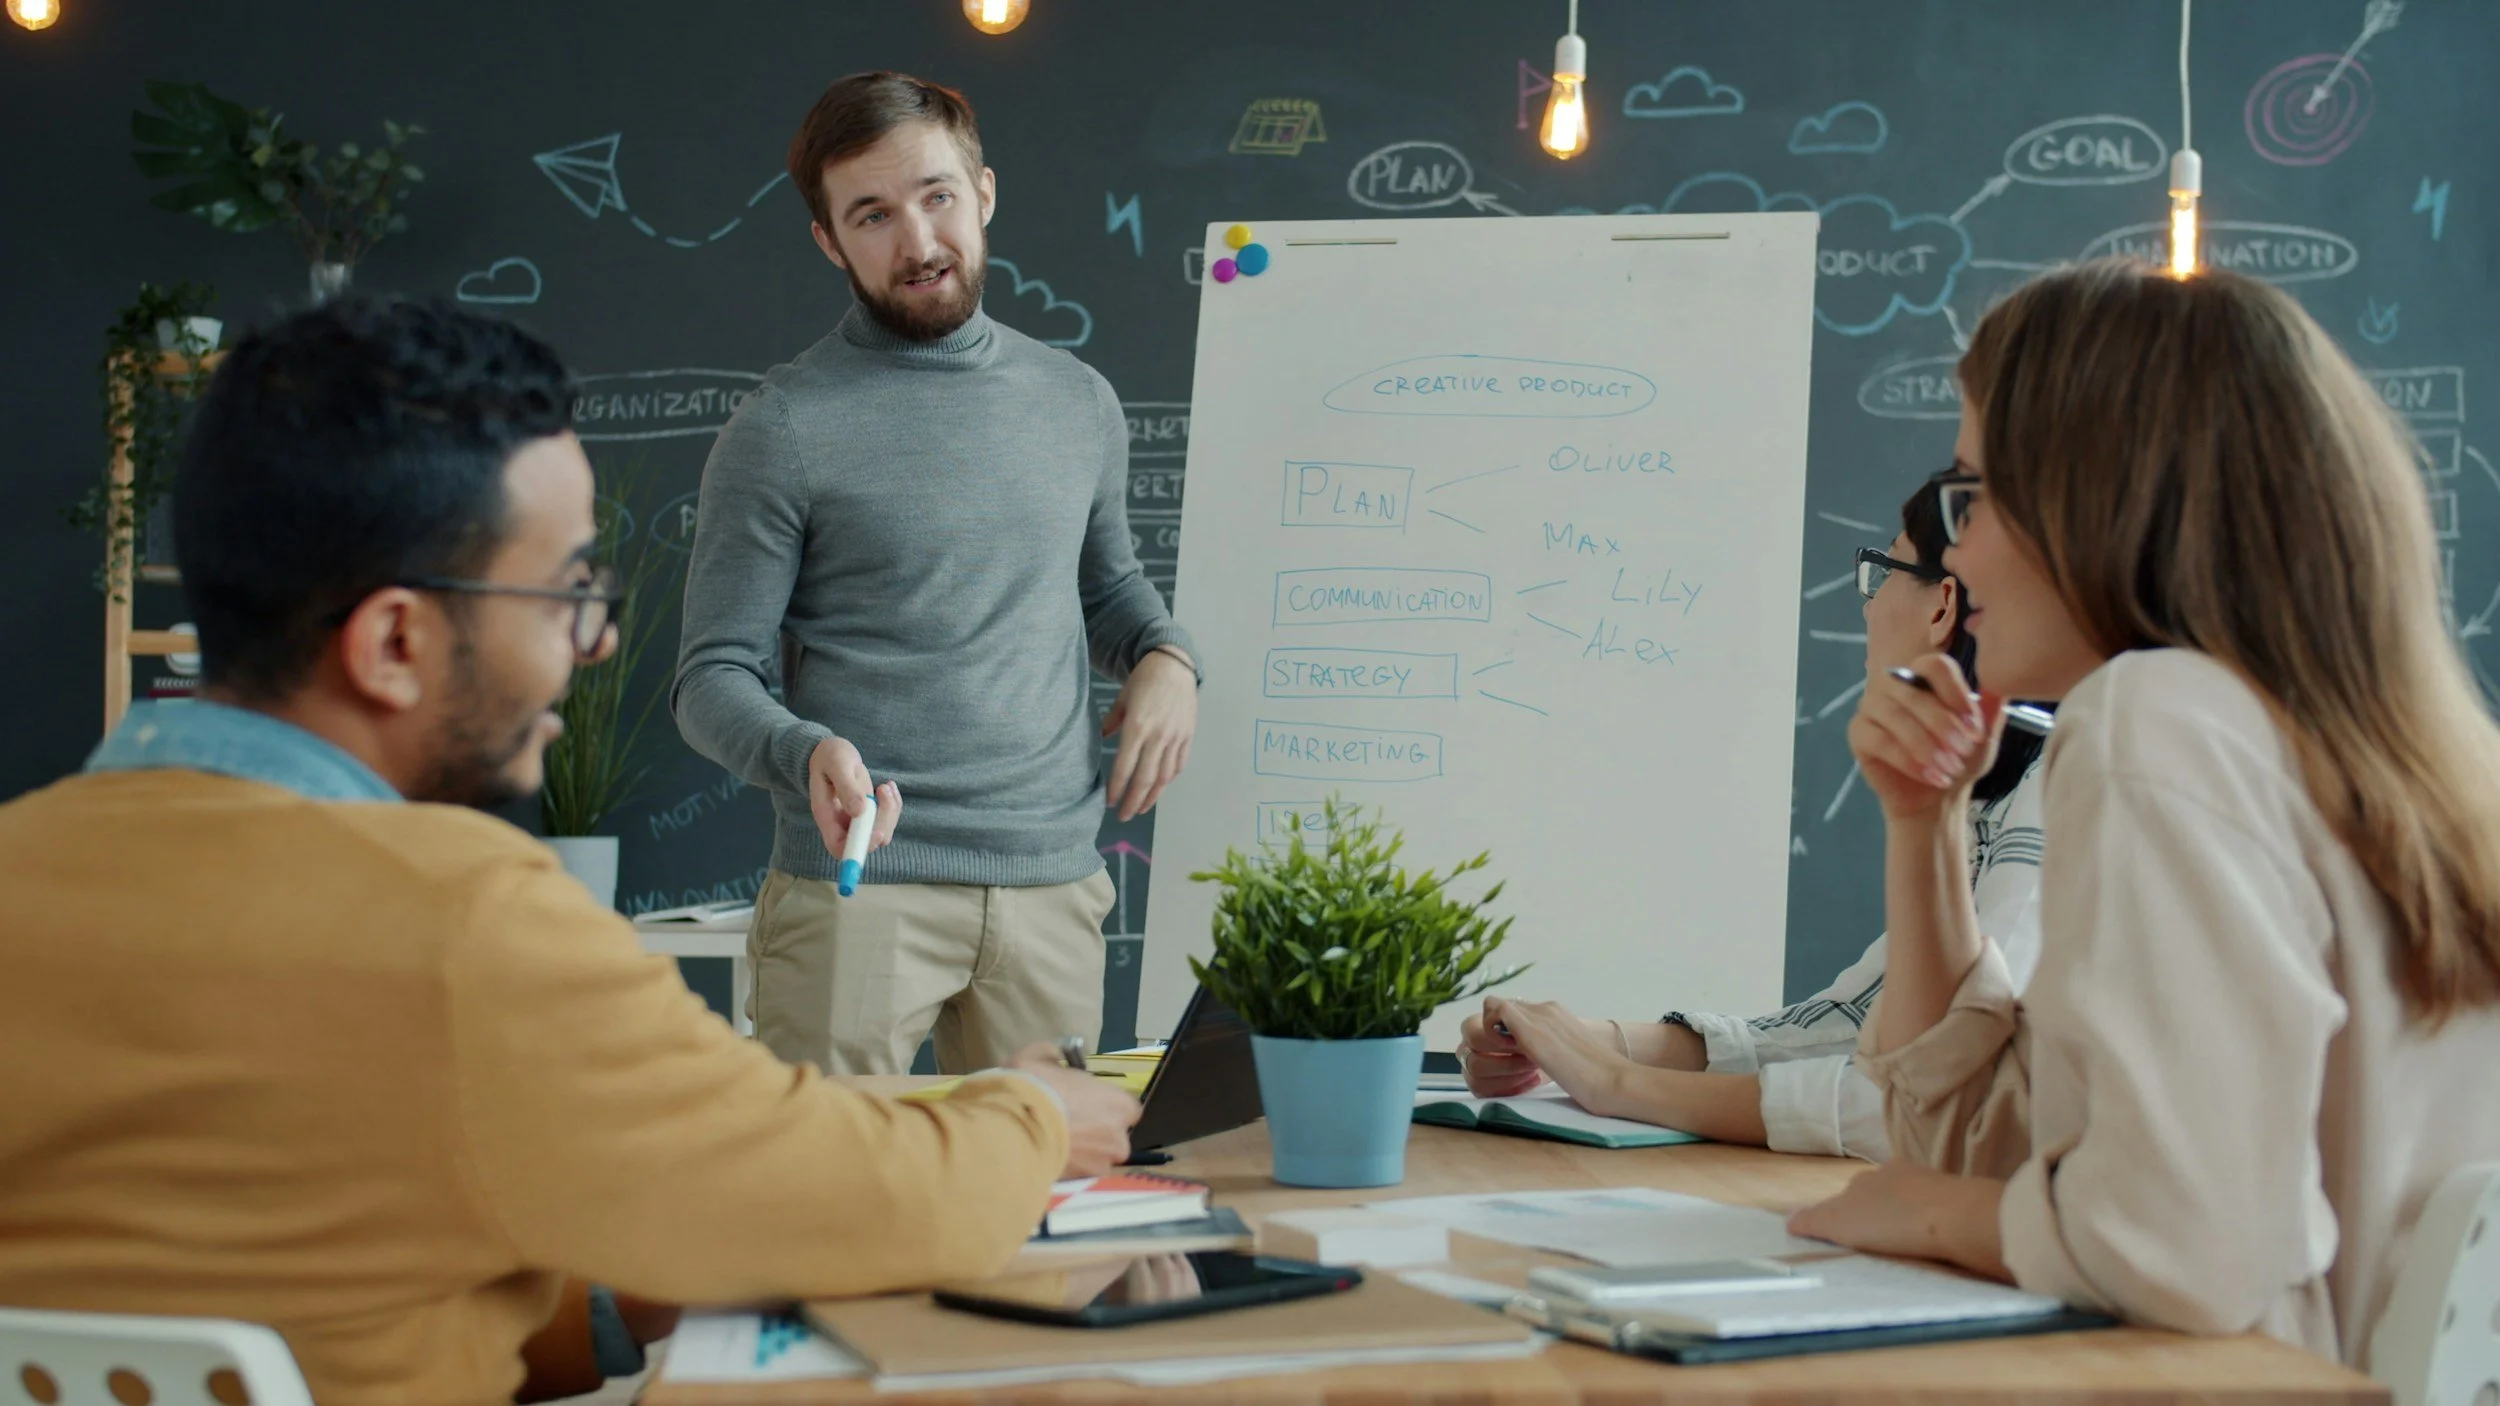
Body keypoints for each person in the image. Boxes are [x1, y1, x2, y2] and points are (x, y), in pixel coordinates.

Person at [0, 299, 1140, 1406]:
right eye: (560, 593)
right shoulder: (463, 920)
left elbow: (272, 1294)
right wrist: (1034, 1114)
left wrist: (602, 1309)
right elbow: (824, 1182)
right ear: (395, 639)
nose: (591, 644)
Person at [1788, 259, 2500, 1366]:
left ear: (2100, 498)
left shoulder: (2156, 719)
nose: (1956, 549)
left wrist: (1931, 1218)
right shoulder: (2364, 753)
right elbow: (2000, 1154)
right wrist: (1924, 821)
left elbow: (2181, 1242)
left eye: (1974, 492)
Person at [673, 70, 1199, 1077]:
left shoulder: (1077, 400)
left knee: (1039, 1213)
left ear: (984, 192)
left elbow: (1109, 591)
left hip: (1053, 888)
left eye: (937, 196)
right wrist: (802, 746)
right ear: (829, 240)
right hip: (859, 894)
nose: (917, 242)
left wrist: (1170, 657)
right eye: (872, 215)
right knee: (824, 1211)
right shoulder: (782, 426)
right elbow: (710, 679)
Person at [1456, 474, 2047, 1158]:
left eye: (1883, 569)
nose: (1869, 603)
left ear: (1942, 604)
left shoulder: (2060, 790)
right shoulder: (1979, 791)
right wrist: (1593, 1041)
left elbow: (1909, 1107)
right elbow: (1849, 1027)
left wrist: (1615, 1082)